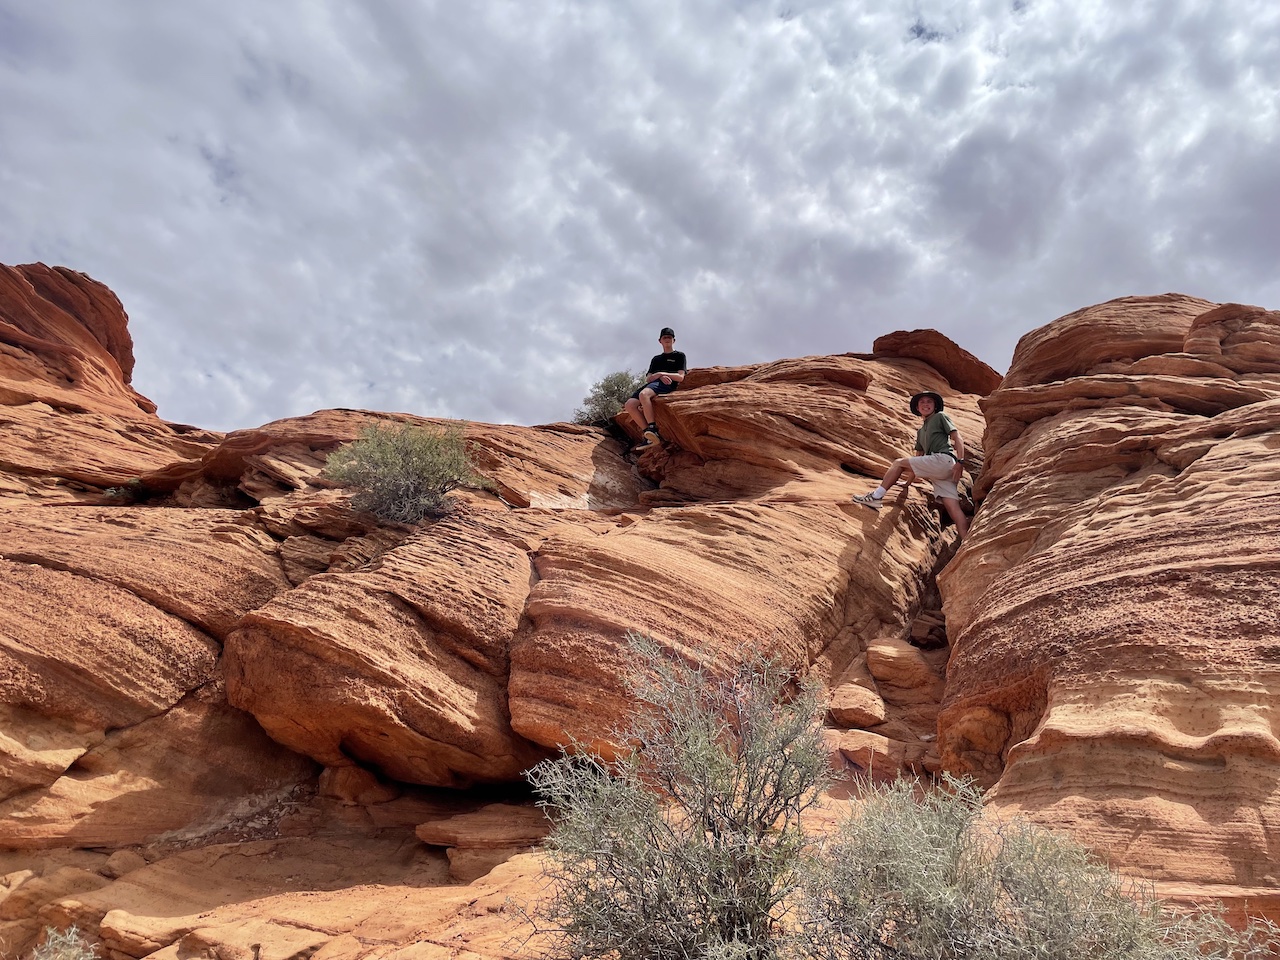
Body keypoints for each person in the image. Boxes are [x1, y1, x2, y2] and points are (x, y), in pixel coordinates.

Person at [852, 390, 969, 538]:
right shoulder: (921, 432)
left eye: (929, 402)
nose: (925, 404)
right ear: (918, 408)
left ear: (935, 406)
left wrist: (961, 461)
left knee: (898, 463)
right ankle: (966, 540)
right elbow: (917, 459)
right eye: (922, 402)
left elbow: (957, 437)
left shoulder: (940, 416)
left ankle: (876, 497)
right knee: (953, 508)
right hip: (942, 471)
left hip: (944, 460)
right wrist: (907, 483)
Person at [625, 327, 686, 448]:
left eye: (669, 337)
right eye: (665, 337)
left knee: (644, 395)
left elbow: (680, 377)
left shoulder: (679, 356)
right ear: (660, 341)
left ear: (674, 340)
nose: (667, 339)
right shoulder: (656, 359)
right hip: (653, 384)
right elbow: (648, 378)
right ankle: (648, 435)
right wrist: (658, 375)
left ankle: (653, 428)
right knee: (629, 405)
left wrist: (663, 374)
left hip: (667, 384)